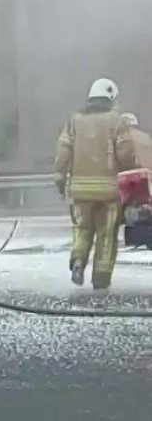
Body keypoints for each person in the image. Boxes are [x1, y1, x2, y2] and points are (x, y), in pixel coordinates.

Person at [55, 78, 136, 290]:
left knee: (82, 230)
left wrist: (60, 177)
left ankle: (79, 262)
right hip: (109, 192)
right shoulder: (116, 121)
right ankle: (101, 280)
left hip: (80, 191)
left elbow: (63, 151)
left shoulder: (74, 121)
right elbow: (126, 154)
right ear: (110, 97)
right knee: (106, 235)